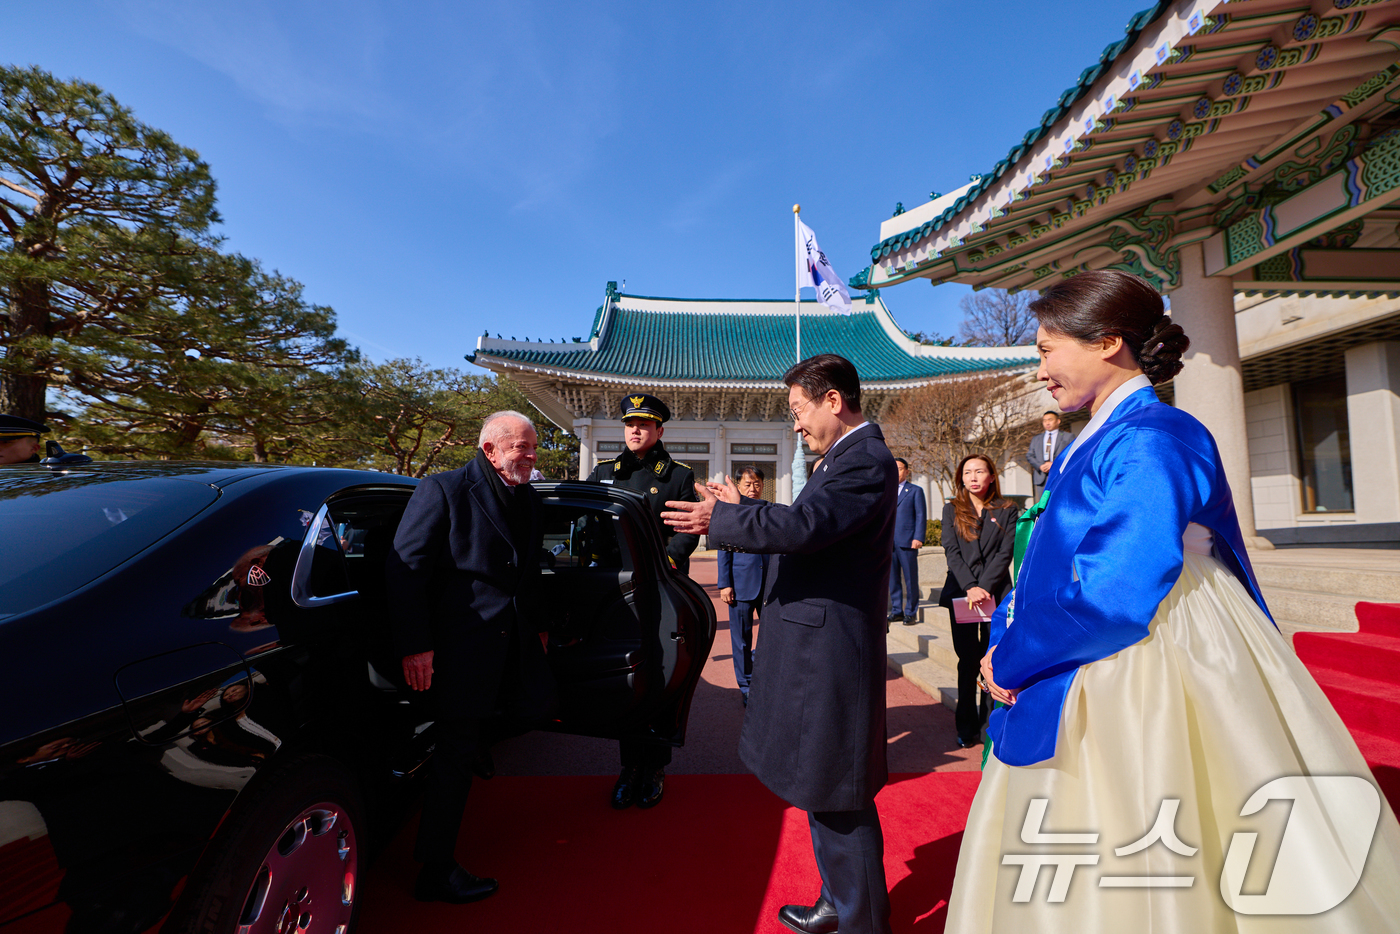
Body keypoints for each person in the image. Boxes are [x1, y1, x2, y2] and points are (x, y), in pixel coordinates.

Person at [950, 270, 1400, 931]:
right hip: (1095, 646)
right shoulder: (1102, 435)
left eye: (1047, 349)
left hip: (1145, 658)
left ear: (1107, 342)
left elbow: (1116, 590)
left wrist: (1012, 658)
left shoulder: (1154, 435)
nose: (1040, 368)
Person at [663, 353, 897, 934]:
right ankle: (837, 902)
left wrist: (721, 519)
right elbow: (806, 518)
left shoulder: (864, 461)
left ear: (833, 400)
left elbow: (805, 529)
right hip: (818, 645)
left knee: (840, 793)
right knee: (824, 782)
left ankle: (862, 921)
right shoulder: (840, 459)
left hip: (834, 650)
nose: (795, 424)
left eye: (798, 410)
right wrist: (748, 510)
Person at [386, 410, 554, 905]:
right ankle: (436, 871)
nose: (531, 456)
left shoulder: (525, 494)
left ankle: (481, 746)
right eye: (522, 447)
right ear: (490, 450)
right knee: (454, 756)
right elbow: (405, 571)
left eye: (533, 447)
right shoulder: (442, 490)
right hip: (458, 648)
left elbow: (531, 569)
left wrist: (539, 627)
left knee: (535, 708)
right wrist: (415, 646)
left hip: (510, 645)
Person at [586, 392, 700, 810]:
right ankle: (628, 766)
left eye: (645, 424)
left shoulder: (676, 475)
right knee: (625, 677)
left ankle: (654, 766)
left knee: (660, 674)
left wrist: (664, 561)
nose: (636, 430)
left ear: (659, 431)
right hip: (617, 593)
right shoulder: (602, 472)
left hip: (661, 591)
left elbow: (687, 529)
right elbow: (591, 532)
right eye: (630, 424)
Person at [936, 454, 1018, 748]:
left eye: (979, 471)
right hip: (962, 594)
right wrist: (970, 586)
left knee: (993, 659)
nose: (973, 477)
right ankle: (966, 725)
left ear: (992, 476)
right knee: (968, 661)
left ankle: (988, 724)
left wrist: (983, 586)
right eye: (967, 472)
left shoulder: (1007, 509)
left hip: (995, 592)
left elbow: (1005, 552)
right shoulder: (952, 510)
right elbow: (951, 551)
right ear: (961, 478)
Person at [716, 466, 770, 706]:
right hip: (740, 585)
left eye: (757, 483)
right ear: (737, 486)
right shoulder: (729, 512)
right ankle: (746, 686)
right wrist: (725, 584)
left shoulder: (768, 510)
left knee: (771, 635)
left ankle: (761, 674)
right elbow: (724, 550)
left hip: (769, 586)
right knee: (741, 639)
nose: (753, 488)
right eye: (747, 484)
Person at [888, 457, 927, 625]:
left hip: (908, 541)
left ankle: (910, 612)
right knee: (892, 578)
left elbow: (920, 515)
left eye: (899, 468)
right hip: (889, 543)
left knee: (910, 579)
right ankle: (897, 610)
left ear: (907, 471)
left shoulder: (915, 491)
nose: (895, 472)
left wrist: (918, 537)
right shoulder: (886, 491)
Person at [1025, 409, 1072, 497]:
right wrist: (1040, 466)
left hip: (1060, 475)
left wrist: (1055, 464)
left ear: (1058, 421)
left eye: (1050, 420)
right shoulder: (1036, 439)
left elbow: (1072, 455)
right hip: (1041, 477)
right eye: (1044, 420)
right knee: (1043, 505)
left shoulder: (1068, 437)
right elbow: (1030, 455)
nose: (1047, 423)